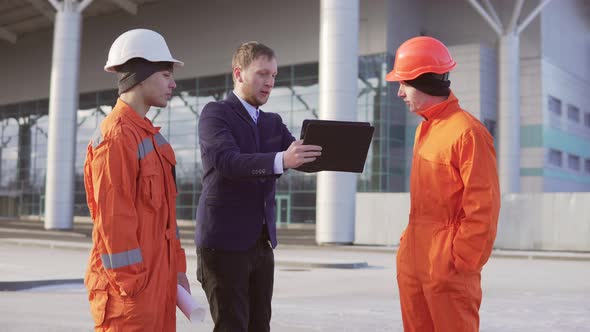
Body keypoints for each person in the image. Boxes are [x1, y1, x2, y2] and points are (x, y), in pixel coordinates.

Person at [195, 41, 322, 331]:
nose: (270, 83)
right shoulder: (215, 114)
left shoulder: (272, 122)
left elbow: (298, 156)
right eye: (263, 74)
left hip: (260, 245)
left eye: (274, 76)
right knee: (232, 325)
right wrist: (282, 159)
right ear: (238, 74)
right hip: (223, 243)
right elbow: (229, 161)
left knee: (259, 325)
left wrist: (336, 148)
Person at [385, 36, 501, 332]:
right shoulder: (424, 130)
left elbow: (483, 207)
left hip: (447, 264)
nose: (399, 93)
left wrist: (462, 262)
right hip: (415, 257)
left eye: (404, 84)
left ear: (424, 82)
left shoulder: (468, 132)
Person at [83, 28, 190, 331]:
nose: (174, 83)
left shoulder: (152, 139)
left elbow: (168, 220)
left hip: (159, 286)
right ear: (142, 76)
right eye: (166, 74)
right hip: (129, 297)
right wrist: (132, 286)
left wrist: (177, 271)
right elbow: (113, 221)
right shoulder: (116, 137)